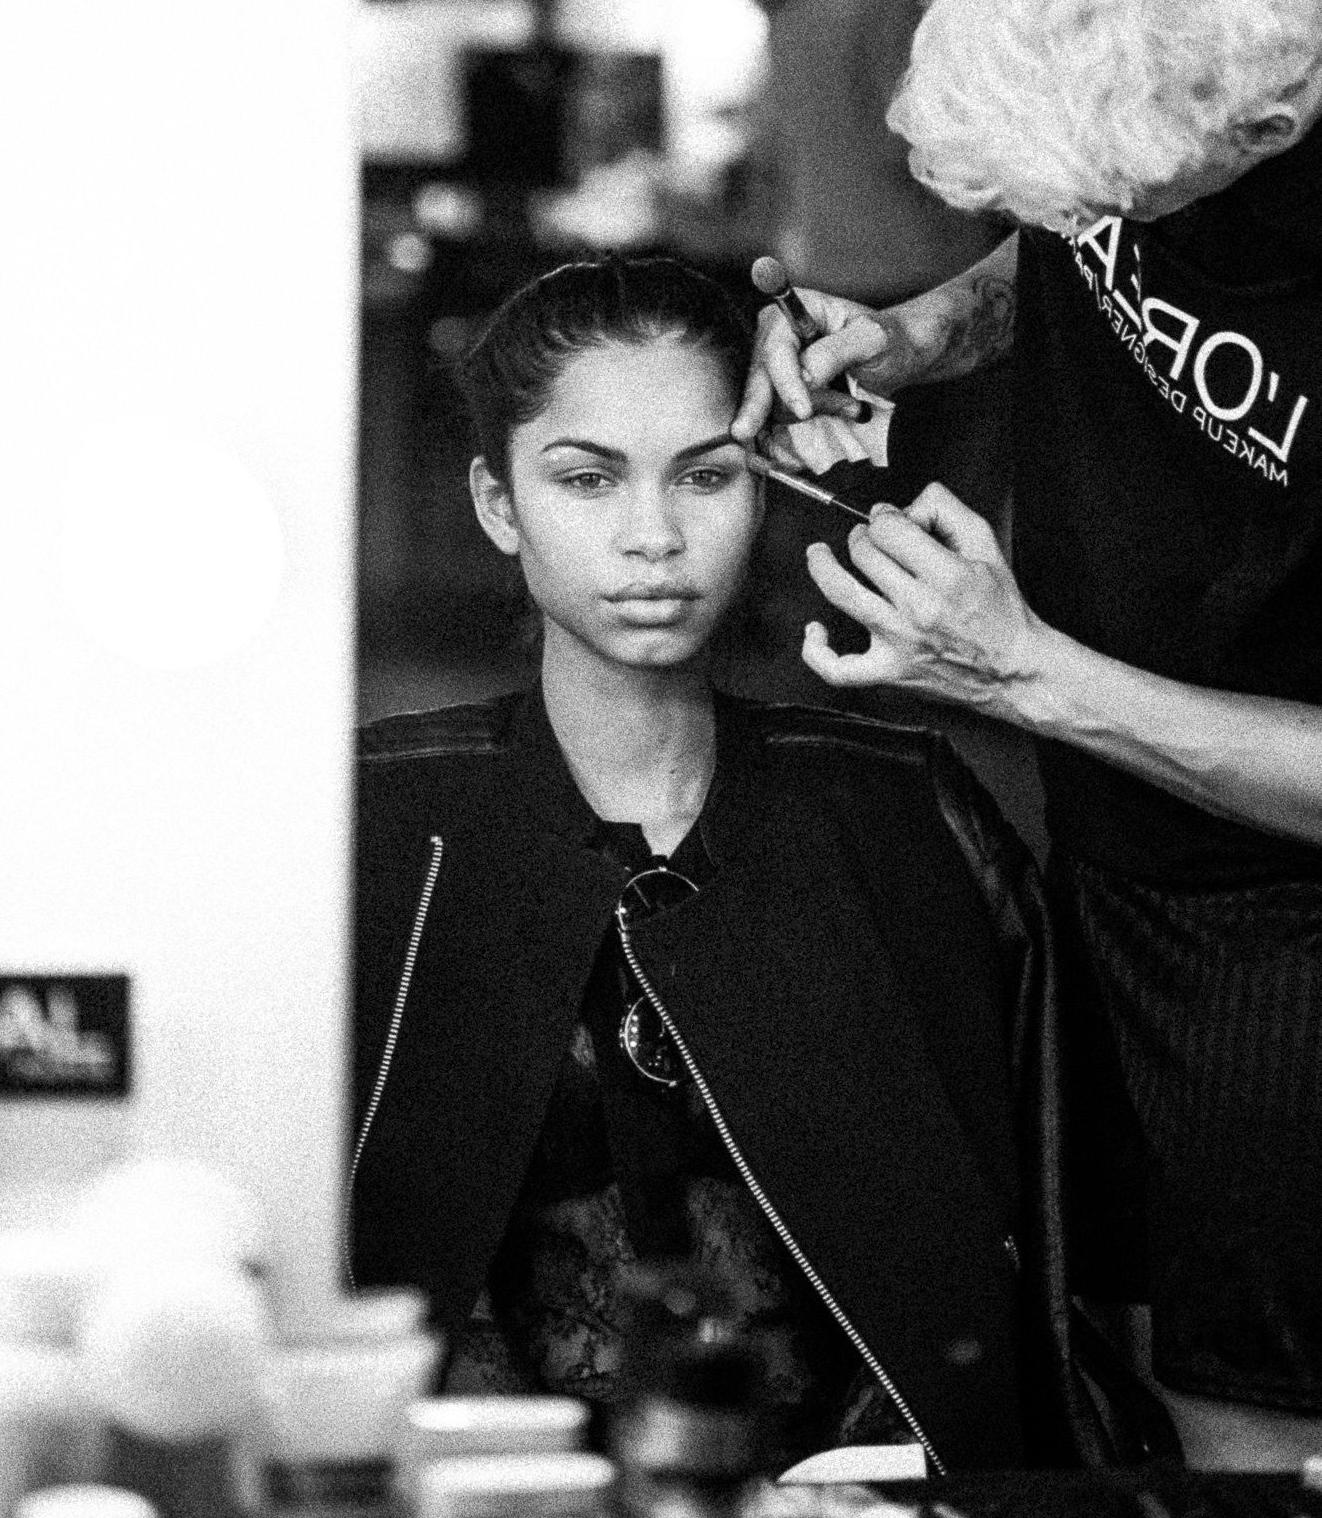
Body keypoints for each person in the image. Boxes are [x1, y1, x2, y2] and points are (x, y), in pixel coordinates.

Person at [731, 0, 1322, 1465]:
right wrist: (919, 331)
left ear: (1267, 119)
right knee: (1113, 1386)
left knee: (1247, 1445)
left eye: (1123, 193)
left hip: (1286, 941)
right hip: (1118, 854)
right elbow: (1083, 247)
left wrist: (1031, 677)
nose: (1102, 230)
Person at [346, 255, 1106, 1474]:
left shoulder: (903, 814)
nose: (652, 536)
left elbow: (1054, 1263)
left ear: (763, 487)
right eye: (586, 479)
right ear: (498, 504)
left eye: (705, 475)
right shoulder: (378, 823)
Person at [747, 0, 1009, 526]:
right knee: (938, 532)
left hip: (824, 272)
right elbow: (920, 139)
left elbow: (777, 136)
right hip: (921, 284)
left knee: (849, 520)